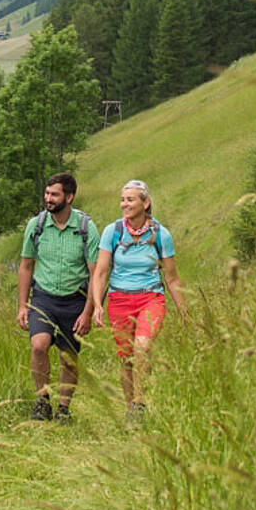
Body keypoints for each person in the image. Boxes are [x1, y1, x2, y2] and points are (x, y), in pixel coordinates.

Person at [90, 179, 186, 421]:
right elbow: (101, 272)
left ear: (145, 203)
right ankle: (131, 408)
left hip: (151, 298)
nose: (124, 204)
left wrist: (185, 312)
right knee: (127, 359)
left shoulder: (161, 235)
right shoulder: (113, 232)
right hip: (119, 300)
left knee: (143, 348)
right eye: (123, 200)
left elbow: (172, 278)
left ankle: (141, 403)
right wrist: (98, 305)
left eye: (130, 200)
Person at [15, 172, 98, 423]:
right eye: (47, 194)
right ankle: (42, 401)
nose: (48, 199)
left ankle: (63, 408)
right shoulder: (37, 225)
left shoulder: (85, 228)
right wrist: (22, 305)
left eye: (54, 194)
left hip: (75, 300)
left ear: (69, 197)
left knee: (68, 357)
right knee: (39, 346)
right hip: (43, 298)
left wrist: (88, 312)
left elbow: (96, 273)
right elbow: (26, 266)